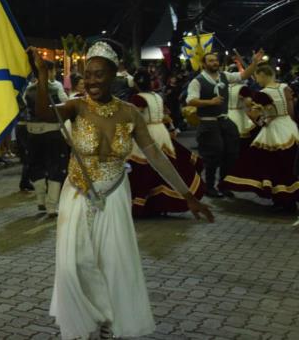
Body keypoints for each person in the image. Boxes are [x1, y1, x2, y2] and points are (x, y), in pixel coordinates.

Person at [29, 42, 213, 340]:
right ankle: (90, 315)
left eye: (99, 74)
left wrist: (188, 195)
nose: (91, 81)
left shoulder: (129, 113)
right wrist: (40, 76)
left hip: (114, 194)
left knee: (112, 262)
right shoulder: (76, 106)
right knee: (73, 263)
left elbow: (156, 157)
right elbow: (43, 113)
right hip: (77, 193)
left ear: (114, 74)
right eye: (87, 74)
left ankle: (109, 324)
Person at [220, 64, 299, 212]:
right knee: (288, 164)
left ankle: (283, 201)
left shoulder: (262, 93)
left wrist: (263, 122)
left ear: (262, 75)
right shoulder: (285, 87)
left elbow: (253, 114)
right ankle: (289, 199)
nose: (257, 80)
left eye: (257, 77)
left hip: (273, 131)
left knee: (272, 165)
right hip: (289, 128)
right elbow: (291, 109)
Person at [127, 69, 205, 217]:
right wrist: (171, 128)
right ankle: (159, 204)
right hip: (161, 132)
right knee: (162, 168)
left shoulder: (138, 98)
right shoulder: (157, 96)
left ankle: (144, 205)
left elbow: (135, 118)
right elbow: (166, 114)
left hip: (148, 133)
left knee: (143, 170)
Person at [186, 50, 264, 197]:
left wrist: (254, 63)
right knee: (214, 154)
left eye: (215, 60)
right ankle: (209, 186)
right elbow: (190, 100)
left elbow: (243, 75)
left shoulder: (224, 76)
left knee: (231, 153)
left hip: (225, 120)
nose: (214, 63)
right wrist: (210, 102)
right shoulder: (197, 81)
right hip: (208, 123)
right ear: (204, 64)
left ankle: (223, 185)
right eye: (210, 61)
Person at [24, 61, 69, 215]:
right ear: (48, 71)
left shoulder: (28, 90)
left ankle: (40, 200)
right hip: (52, 132)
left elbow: (25, 105)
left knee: (36, 165)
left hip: (32, 133)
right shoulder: (56, 88)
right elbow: (66, 105)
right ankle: (52, 206)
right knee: (56, 167)